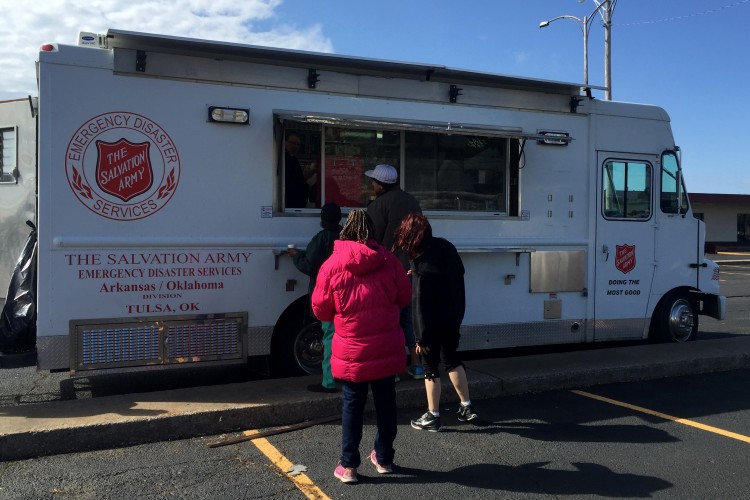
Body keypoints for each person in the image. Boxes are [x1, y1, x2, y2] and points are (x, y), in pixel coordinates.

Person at [312, 209, 412, 484]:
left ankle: (349, 467)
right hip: (386, 346)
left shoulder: (332, 265)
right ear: (371, 231)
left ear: (347, 230)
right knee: (386, 403)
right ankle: (384, 458)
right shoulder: (390, 262)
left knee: (352, 407)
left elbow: (321, 310)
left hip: (351, 350)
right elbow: (404, 297)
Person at [393, 213, 477, 432]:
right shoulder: (447, 248)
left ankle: (433, 416)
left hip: (430, 324)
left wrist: (420, 336)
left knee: (430, 368)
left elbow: (420, 303)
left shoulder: (419, 260)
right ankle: (466, 406)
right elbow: (458, 275)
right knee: (452, 360)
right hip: (452, 316)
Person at [364, 164, 424, 380]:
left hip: (388, 272)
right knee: (410, 319)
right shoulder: (412, 201)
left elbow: (372, 240)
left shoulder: (378, 206)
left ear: (381, 184)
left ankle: (394, 369)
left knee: (389, 321)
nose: (371, 184)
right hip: (413, 269)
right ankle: (417, 365)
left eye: (373, 181)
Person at [288, 203, 343, 393]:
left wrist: (296, 256)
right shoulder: (345, 236)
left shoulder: (321, 238)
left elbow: (310, 264)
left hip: (327, 296)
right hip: (346, 295)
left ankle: (328, 381)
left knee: (328, 337)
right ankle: (346, 376)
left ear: (323, 219)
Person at [284, 133, 310, 208]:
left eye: (298, 144)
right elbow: (294, 180)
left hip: (297, 204)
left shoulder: (293, 159)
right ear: (285, 142)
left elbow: (299, 179)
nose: (295, 146)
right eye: (293, 143)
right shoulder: (284, 159)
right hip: (290, 203)